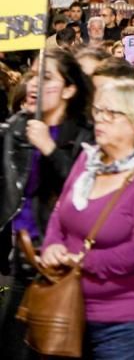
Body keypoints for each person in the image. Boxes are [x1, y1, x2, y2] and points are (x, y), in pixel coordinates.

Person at [41, 79, 134, 360]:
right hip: (68, 309)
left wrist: (80, 260)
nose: (100, 119)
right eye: (99, 111)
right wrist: (52, 245)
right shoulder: (88, 161)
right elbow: (59, 212)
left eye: (112, 114)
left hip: (124, 325)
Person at [0, 49, 93, 359]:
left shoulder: (86, 134)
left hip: (64, 267)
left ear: (69, 89)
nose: (35, 84)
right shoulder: (17, 127)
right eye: (33, 75)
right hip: (23, 261)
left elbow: (85, 194)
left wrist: (51, 149)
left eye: (47, 77)